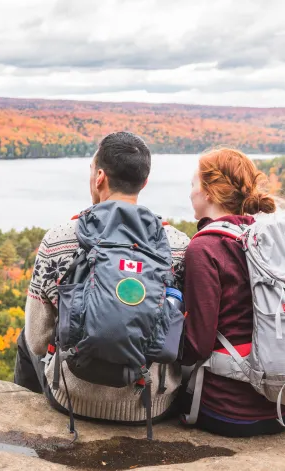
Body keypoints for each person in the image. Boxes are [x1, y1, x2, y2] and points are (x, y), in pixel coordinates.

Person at [13, 131, 190, 426]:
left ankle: (24, 424)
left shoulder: (60, 238)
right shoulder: (177, 244)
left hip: (71, 400)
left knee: (23, 336)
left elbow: (38, 340)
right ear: (144, 182)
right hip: (150, 406)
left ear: (99, 177)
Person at [180, 148, 285, 437]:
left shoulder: (205, 248)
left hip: (228, 411)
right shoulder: (267, 237)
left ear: (209, 193)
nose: (190, 194)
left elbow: (198, 345)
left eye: (194, 185)